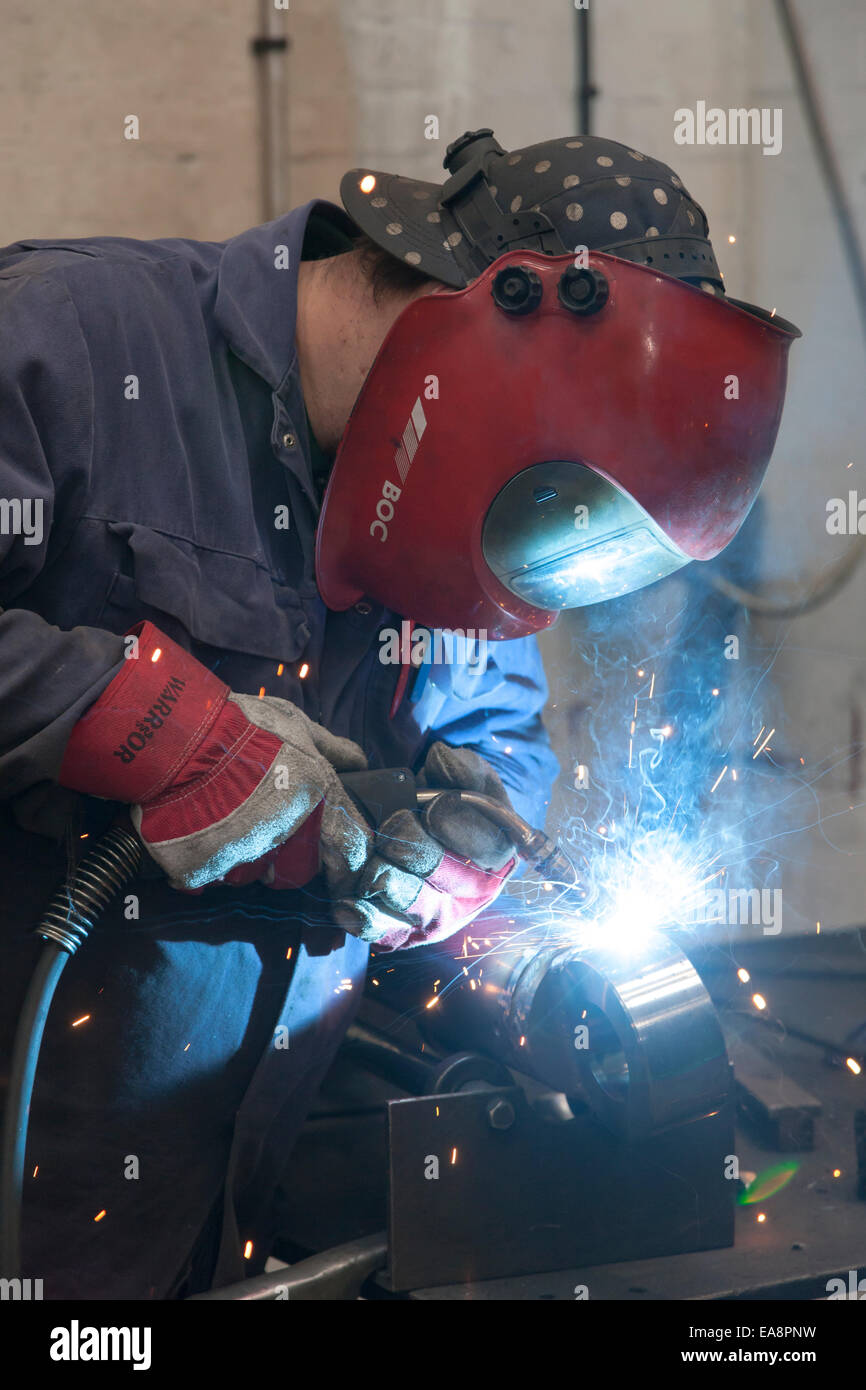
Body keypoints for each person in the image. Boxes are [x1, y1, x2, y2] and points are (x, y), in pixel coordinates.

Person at [0, 128, 797, 1298]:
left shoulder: (467, 531)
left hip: (214, 1189)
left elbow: (497, 739)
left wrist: (465, 843)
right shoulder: (70, 341)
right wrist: (154, 727)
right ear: (480, 334)